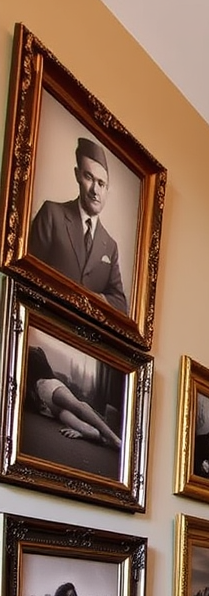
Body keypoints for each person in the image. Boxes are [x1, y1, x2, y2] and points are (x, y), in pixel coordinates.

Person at [27, 137, 128, 313]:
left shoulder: (110, 246)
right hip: (42, 319)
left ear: (106, 189)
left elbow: (120, 304)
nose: (95, 190)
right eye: (89, 177)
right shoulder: (52, 214)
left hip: (82, 338)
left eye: (101, 184)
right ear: (77, 175)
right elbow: (28, 272)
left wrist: (96, 299)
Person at [25, 344, 121, 448]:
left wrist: (114, 439)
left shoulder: (47, 386)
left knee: (75, 408)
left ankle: (114, 438)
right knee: (66, 413)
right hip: (58, 410)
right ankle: (107, 436)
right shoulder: (34, 390)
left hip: (53, 393)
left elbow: (80, 407)